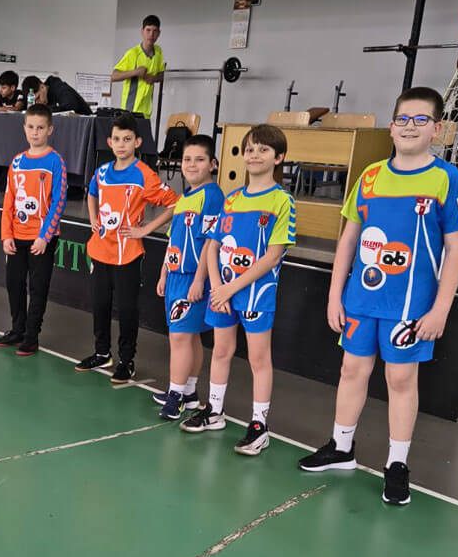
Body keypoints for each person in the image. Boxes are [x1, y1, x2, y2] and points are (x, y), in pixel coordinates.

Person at [298, 87, 458, 506]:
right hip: (361, 299)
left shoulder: (446, 178)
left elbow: (457, 248)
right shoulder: (370, 176)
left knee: (401, 379)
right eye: (403, 119)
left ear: (437, 129)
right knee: (351, 370)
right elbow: (348, 239)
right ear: (391, 127)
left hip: (410, 305)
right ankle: (342, 447)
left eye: (421, 119)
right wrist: (334, 296)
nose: (410, 127)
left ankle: (396, 463)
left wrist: (441, 309)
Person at [181, 124, 296, 458]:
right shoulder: (231, 199)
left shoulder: (282, 200)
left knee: (259, 359)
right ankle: (214, 410)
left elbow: (273, 256)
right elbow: (213, 246)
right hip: (223, 292)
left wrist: (232, 287)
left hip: (255, 293)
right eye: (249, 149)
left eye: (263, 150)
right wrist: (217, 286)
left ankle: (259, 425)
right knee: (221, 350)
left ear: (279, 157)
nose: (254, 155)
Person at [76, 113, 177, 383]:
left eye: (127, 139)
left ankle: (126, 361)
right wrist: (94, 218)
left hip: (127, 254)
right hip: (100, 250)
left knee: (127, 309)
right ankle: (102, 353)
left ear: (137, 142)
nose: (121, 144)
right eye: (117, 139)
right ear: (109, 142)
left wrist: (145, 229)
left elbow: (174, 203)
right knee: (100, 305)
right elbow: (92, 193)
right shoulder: (102, 171)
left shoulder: (144, 174)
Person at [152, 135, 224, 419]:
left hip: (192, 276)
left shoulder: (212, 196)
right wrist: (163, 272)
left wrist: (198, 280)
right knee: (189, 336)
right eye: (187, 159)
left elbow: (210, 242)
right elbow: (173, 238)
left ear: (212, 164)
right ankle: (189, 392)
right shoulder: (184, 198)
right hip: (175, 276)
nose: (192, 165)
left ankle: (176, 396)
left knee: (180, 337)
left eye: (199, 159)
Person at [0, 104, 67, 356]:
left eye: (40, 128)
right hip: (17, 235)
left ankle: (31, 336)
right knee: (14, 283)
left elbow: (58, 201)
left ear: (50, 130)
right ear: (24, 128)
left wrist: (45, 236)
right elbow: (9, 200)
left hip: (41, 238)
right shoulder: (17, 161)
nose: (35, 132)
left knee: (38, 287)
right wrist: (6, 234)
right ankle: (17, 330)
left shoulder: (55, 161)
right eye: (31, 127)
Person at [112, 14, 165, 119]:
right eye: (148, 30)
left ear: (159, 33)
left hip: (146, 113)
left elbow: (163, 74)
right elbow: (114, 76)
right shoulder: (133, 54)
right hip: (130, 111)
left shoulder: (158, 52)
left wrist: (154, 78)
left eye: (155, 31)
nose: (151, 34)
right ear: (142, 31)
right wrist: (135, 72)